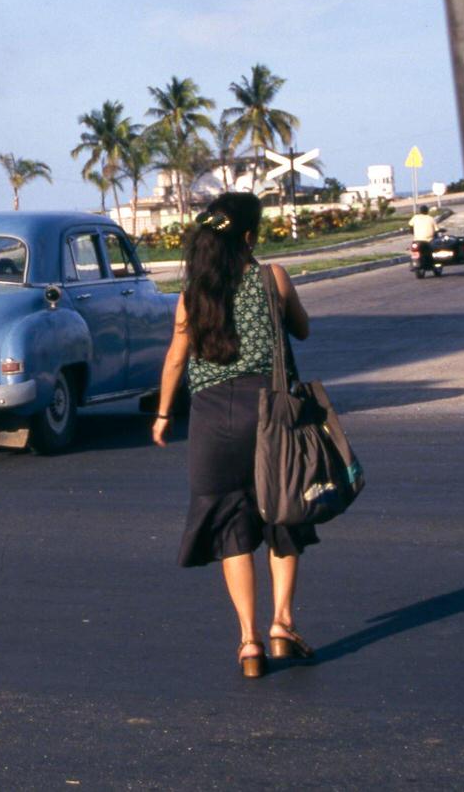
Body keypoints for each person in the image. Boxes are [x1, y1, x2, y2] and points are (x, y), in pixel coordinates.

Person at [151, 192, 315, 679]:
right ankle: (283, 624)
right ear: (248, 237)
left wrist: (162, 415)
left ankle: (249, 642)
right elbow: (302, 330)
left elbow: (176, 360)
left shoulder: (192, 295)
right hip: (270, 412)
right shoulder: (272, 279)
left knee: (230, 527)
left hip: (211, 419)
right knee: (283, 513)